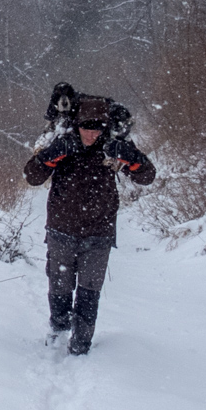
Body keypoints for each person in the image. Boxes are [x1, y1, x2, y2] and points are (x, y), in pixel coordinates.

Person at [23, 83, 156, 355]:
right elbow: (32, 176)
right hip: (62, 229)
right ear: (77, 124)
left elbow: (147, 176)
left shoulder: (113, 146)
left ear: (105, 127)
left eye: (97, 128)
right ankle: (59, 331)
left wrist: (130, 157)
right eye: (86, 127)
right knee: (59, 287)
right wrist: (54, 153)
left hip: (99, 232)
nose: (91, 133)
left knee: (89, 290)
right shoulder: (61, 141)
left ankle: (81, 345)